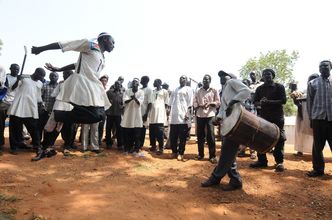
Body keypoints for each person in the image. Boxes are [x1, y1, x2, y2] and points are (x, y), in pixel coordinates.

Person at [31, 32, 114, 124]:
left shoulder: (101, 56)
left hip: (93, 86)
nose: (113, 45)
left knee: (101, 115)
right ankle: (58, 116)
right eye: (112, 42)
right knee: (95, 115)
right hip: (82, 83)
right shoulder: (90, 45)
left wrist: (59, 69)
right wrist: (41, 49)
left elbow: (76, 64)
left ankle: (63, 116)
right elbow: (66, 44)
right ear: (105, 39)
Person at [201, 70, 250, 191]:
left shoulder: (233, 82)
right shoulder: (224, 90)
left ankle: (216, 177)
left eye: (224, 75)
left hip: (238, 121)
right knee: (228, 152)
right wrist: (218, 118)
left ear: (231, 76)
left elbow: (246, 91)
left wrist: (233, 102)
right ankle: (234, 179)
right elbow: (223, 109)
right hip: (228, 123)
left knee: (227, 150)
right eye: (220, 76)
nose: (222, 78)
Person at [250, 69, 287, 172]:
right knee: (260, 137)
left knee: (279, 138)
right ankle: (262, 161)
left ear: (273, 76)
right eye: (265, 74)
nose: (267, 76)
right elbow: (255, 102)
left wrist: (269, 102)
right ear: (263, 76)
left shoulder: (279, 87)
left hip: (277, 117)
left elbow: (283, 100)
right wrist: (260, 103)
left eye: (269, 74)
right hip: (264, 117)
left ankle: (279, 162)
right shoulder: (259, 89)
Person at [8, 68, 46, 157]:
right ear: (35, 72)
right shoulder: (24, 78)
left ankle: (37, 146)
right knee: (15, 129)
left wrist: (41, 105)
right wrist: (18, 79)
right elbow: (13, 88)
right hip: (18, 107)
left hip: (30, 108)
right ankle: (14, 147)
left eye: (43, 76)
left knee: (34, 128)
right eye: (41, 75)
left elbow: (38, 97)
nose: (41, 78)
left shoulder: (40, 83)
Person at [306, 60, 332, 177]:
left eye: (326, 66)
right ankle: (318, 170)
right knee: (317, 146)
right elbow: (309, 103)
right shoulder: (313, 83)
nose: (323, 68)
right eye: (321, 66)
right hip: (318, 119)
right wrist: (311, 118)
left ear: (330, 67)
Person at [193, 74, 220, 163]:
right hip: (200, 115)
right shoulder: (198, 91)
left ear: (210, 81)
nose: (205, 81)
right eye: (204, 79)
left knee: (211, 136)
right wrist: (199, 105)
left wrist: (210, 103)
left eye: (207, 79)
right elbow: (194, 102)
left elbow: (218, 102)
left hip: (210, 115)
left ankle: (212, 156)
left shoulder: (214, 90)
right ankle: (200, 154)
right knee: (200, 136)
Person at [168, 75, 193, 161]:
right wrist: (168, 111)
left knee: (182, 137)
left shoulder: (188, 89)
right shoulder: (175, 89)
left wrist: (187, 113)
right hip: (174, 116)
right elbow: (170, 102)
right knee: (173, 136)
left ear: (186, 80)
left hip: (183, 116)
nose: (181, 79)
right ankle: (174, 152)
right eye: (180, 78)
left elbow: (190, 103)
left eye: (183, 78)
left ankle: (181, 153)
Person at [121, 78, 144, 155]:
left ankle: (136, 149)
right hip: (128, 115)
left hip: (137, 115)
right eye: (133, 82)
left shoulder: (141, 92)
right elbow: (124, 101)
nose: (134, 83)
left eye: (136, 82)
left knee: (137, 134)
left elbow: (139, 103)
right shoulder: (127, 91)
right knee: (127, 133)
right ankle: (127, 148)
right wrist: (131, 98)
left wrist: (134, 98)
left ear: (138, 84)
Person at [0, 64, 20, 154]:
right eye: (15, 69)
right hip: (4, 103)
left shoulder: (21, 79)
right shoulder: (6, 77)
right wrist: (18, 80)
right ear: (10, 69)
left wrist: (20, 79)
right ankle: (0, 145)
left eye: (18, 69)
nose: (16, 71)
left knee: (14, 126)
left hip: (14, 104)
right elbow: (11, 89)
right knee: (1, 125)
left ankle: (14, 147)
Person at [148, 79, 169, 155]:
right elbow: (150, 103)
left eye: (155, 82)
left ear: (159, 83)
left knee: (160, 132)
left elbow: (166, 103)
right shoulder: (153, 92)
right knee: (152, 131)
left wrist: (165, 113)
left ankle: (161, 148)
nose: (153, 83)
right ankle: (153, 146)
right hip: (153, 115)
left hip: (160, 115)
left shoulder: (164, 92)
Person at [106, 80, 124, 150]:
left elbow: (124, 103)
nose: (118, 86)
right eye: (116, 84)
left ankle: (120, 145)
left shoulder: (122, 94)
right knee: (108, 129)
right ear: (114, 85)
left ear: (120, 85)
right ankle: (108, 143)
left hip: (118, 114)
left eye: (119, 85)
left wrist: (122, 106)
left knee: (119, 129)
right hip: (110, 113)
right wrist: (108, 101)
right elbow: (104, 99)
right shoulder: (109, 92)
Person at [139, 76, 153, 149]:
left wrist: (146, 114)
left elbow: (150, 103)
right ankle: (136, 143)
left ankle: (140, 144)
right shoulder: (139, 89)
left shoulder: (149, 90)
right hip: (138, 112)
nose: (140, 81)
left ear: (145, 81)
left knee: (142, 129)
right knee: (137, 128)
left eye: (142, 79)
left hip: (144, 112)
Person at [98, 75, 109, 145]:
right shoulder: (96, 88)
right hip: (96, 109)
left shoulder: (107, 90)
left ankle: (99, 140)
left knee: (101, 126)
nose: (104, 82)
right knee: (95, 126)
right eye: (102, 80)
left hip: (103, 111)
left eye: (105, 81)